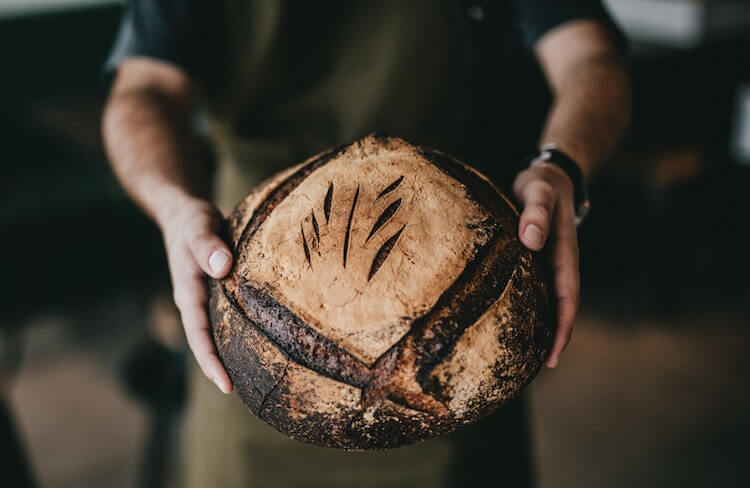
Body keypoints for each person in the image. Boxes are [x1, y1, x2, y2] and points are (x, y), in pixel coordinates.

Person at [102, 1, 631, 486]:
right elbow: (142, 90)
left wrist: (560, 166)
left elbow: (591, 57)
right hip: (252, 306)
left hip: (455, 282)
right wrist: (175, 208)